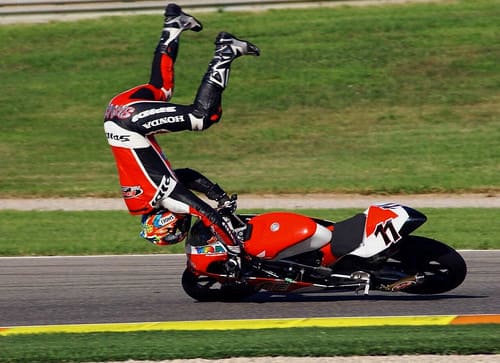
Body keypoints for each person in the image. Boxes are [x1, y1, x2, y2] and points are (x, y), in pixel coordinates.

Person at [104, 3, 260, 247]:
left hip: (129, 121)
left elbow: (210, 216)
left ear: (166, 222)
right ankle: (173, 25)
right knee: (161, 88)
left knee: (202, 117)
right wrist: (219, 195)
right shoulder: (146, 197)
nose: (183, 225)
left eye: (178, 229)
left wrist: (233, 246)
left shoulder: (167, 199)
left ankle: (226, 51)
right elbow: (186, 176)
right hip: (118, 111)